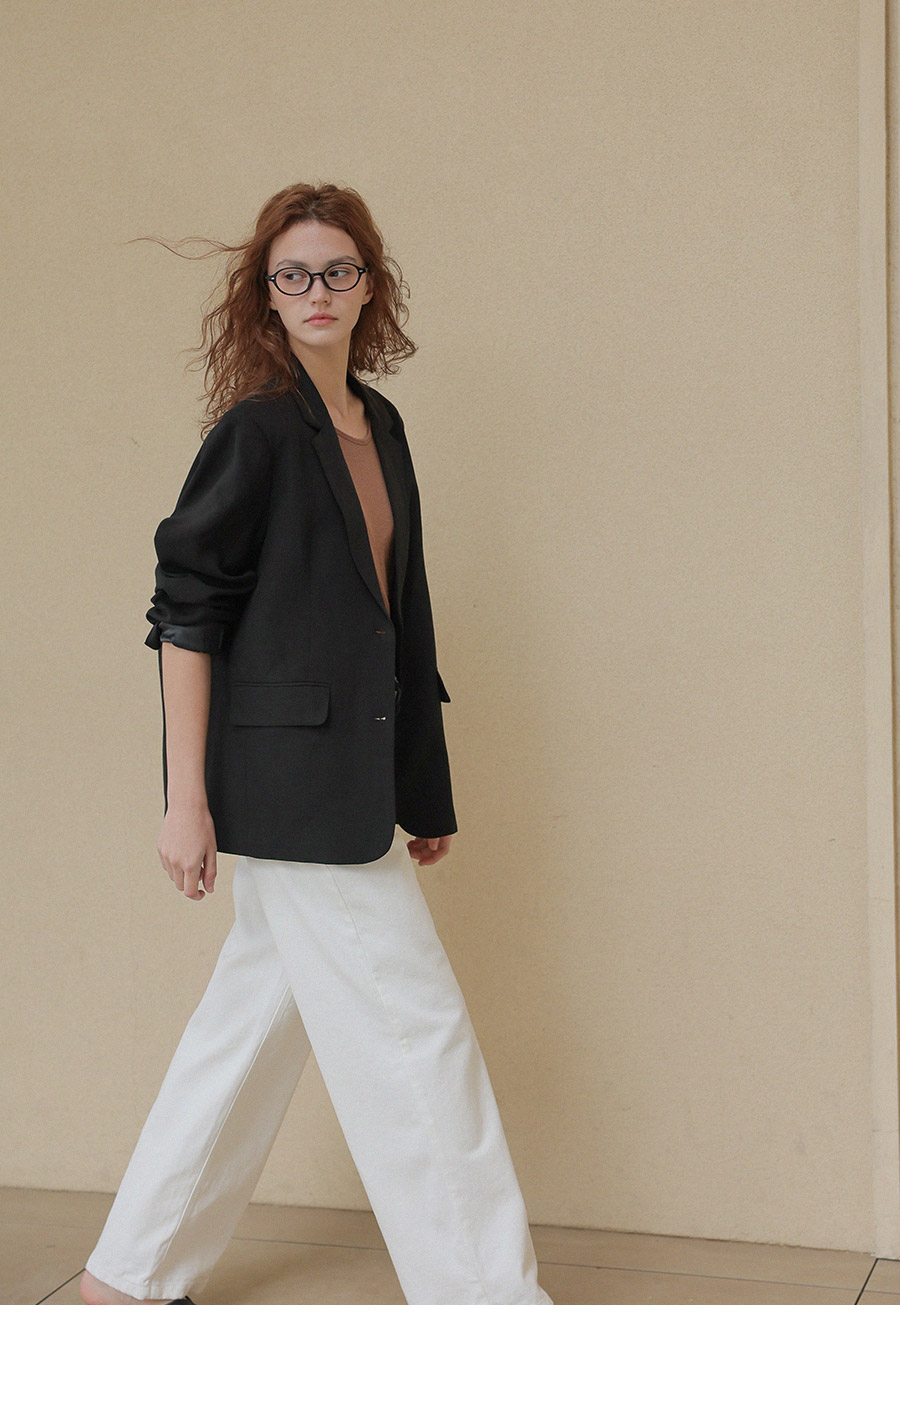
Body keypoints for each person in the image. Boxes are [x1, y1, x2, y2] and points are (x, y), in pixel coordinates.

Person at [80, 183, 552, 1306]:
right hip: (286, 786)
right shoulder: (256, 431)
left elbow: (400, 623)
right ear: (266, 295)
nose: (317, 291)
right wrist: (184, 799)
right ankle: (492, 1321)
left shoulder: (380, 425)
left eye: (338, 270)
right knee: (415, 1030)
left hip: (352, 781)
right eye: (292, 274)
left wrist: (420, 791)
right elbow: (185, 613)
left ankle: (130, 1276)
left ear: (369, 284)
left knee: (248, 1028)